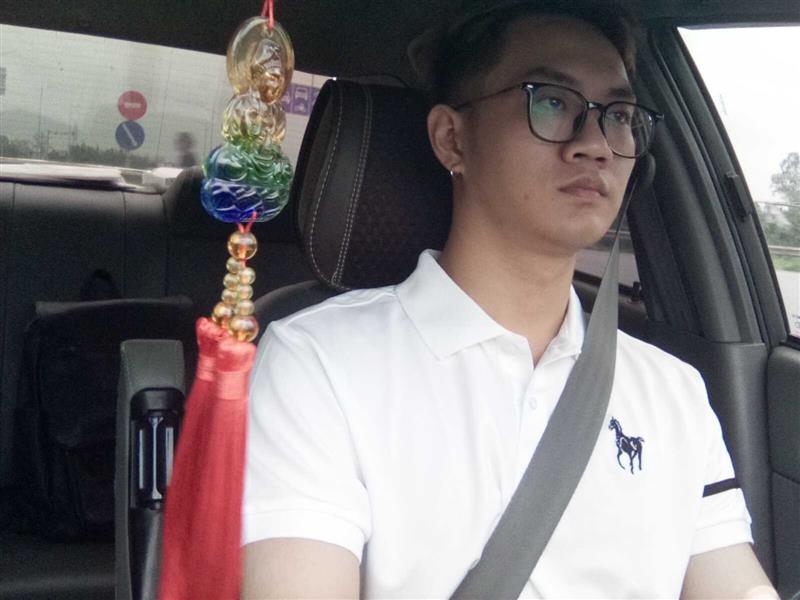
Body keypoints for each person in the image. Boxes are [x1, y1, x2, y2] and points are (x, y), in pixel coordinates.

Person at [241, 1, 779, 598]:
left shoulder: (674, 392)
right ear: (452, 139)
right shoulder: (317, 364)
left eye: (619, 114)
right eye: (551, 101)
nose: (596, 144)